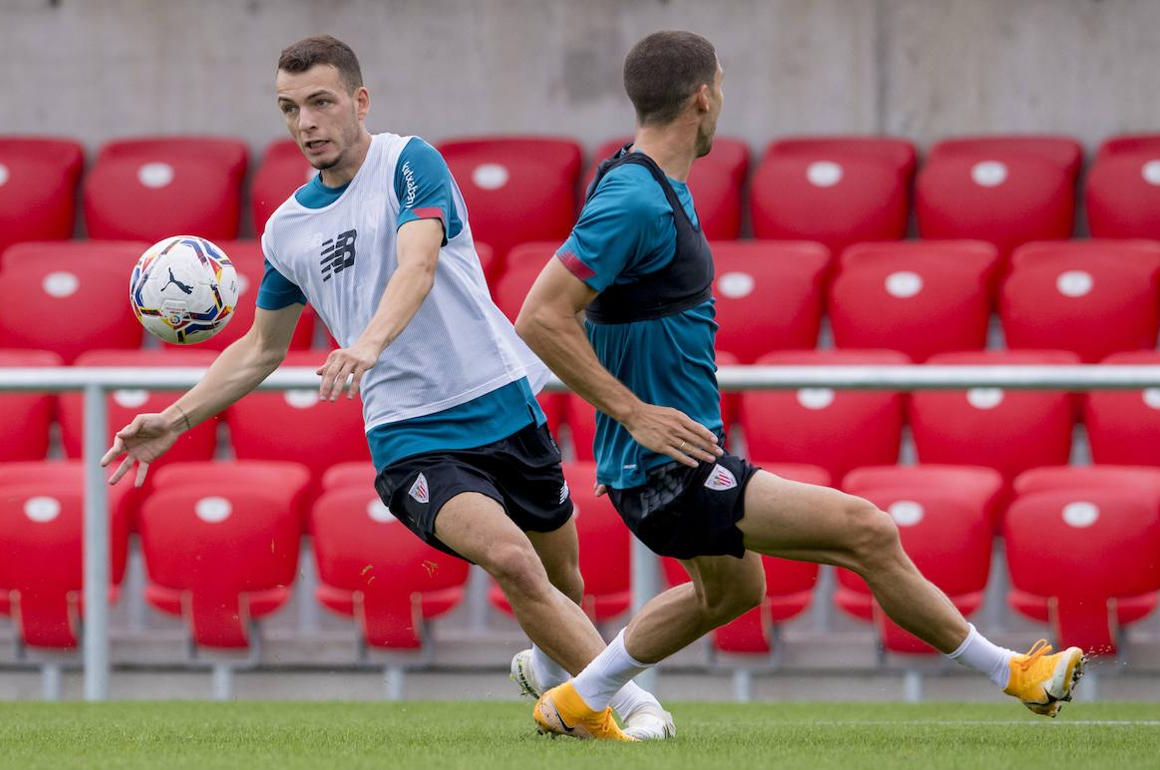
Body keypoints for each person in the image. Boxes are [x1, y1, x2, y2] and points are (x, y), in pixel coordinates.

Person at [515, 29, 1084, 739]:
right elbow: (539, 316)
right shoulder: (634, 198)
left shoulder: (646, 183)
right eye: (720, 82)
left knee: (730, 592)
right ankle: (1014, 674)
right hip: (668, 464)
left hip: (676, 458)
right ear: (703, 96)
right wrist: (635, 414)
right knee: (867, 530)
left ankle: (574, 699)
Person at [100, 34, 668, 740]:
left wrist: (365, 342)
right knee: (513, 560)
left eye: (320, 103)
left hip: (504, 402)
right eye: (288, 109)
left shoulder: (409, 163)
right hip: (411, 435)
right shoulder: (287, 231)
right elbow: (260, 347)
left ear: (358, 102)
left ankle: (553, 679)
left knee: (563, 582)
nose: (305, 122)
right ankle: (638, 711)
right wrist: (177, 419)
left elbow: (418, 263)